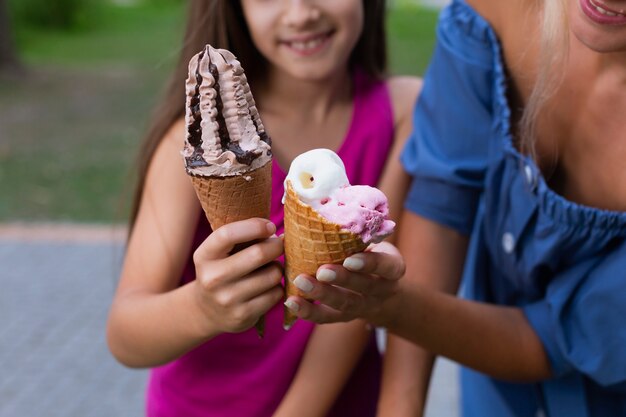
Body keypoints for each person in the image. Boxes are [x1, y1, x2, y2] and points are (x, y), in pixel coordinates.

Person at [284, 0, 626, 416]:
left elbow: (546, 342)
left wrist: (390, 305)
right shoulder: (499, 10)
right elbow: (442, 202)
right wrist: (400, 405)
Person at [106, 0, 421, 416]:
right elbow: (125, 336)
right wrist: (203, 308)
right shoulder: (197, 146)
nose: (301, 12)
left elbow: (349, 314)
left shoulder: (403, 111)